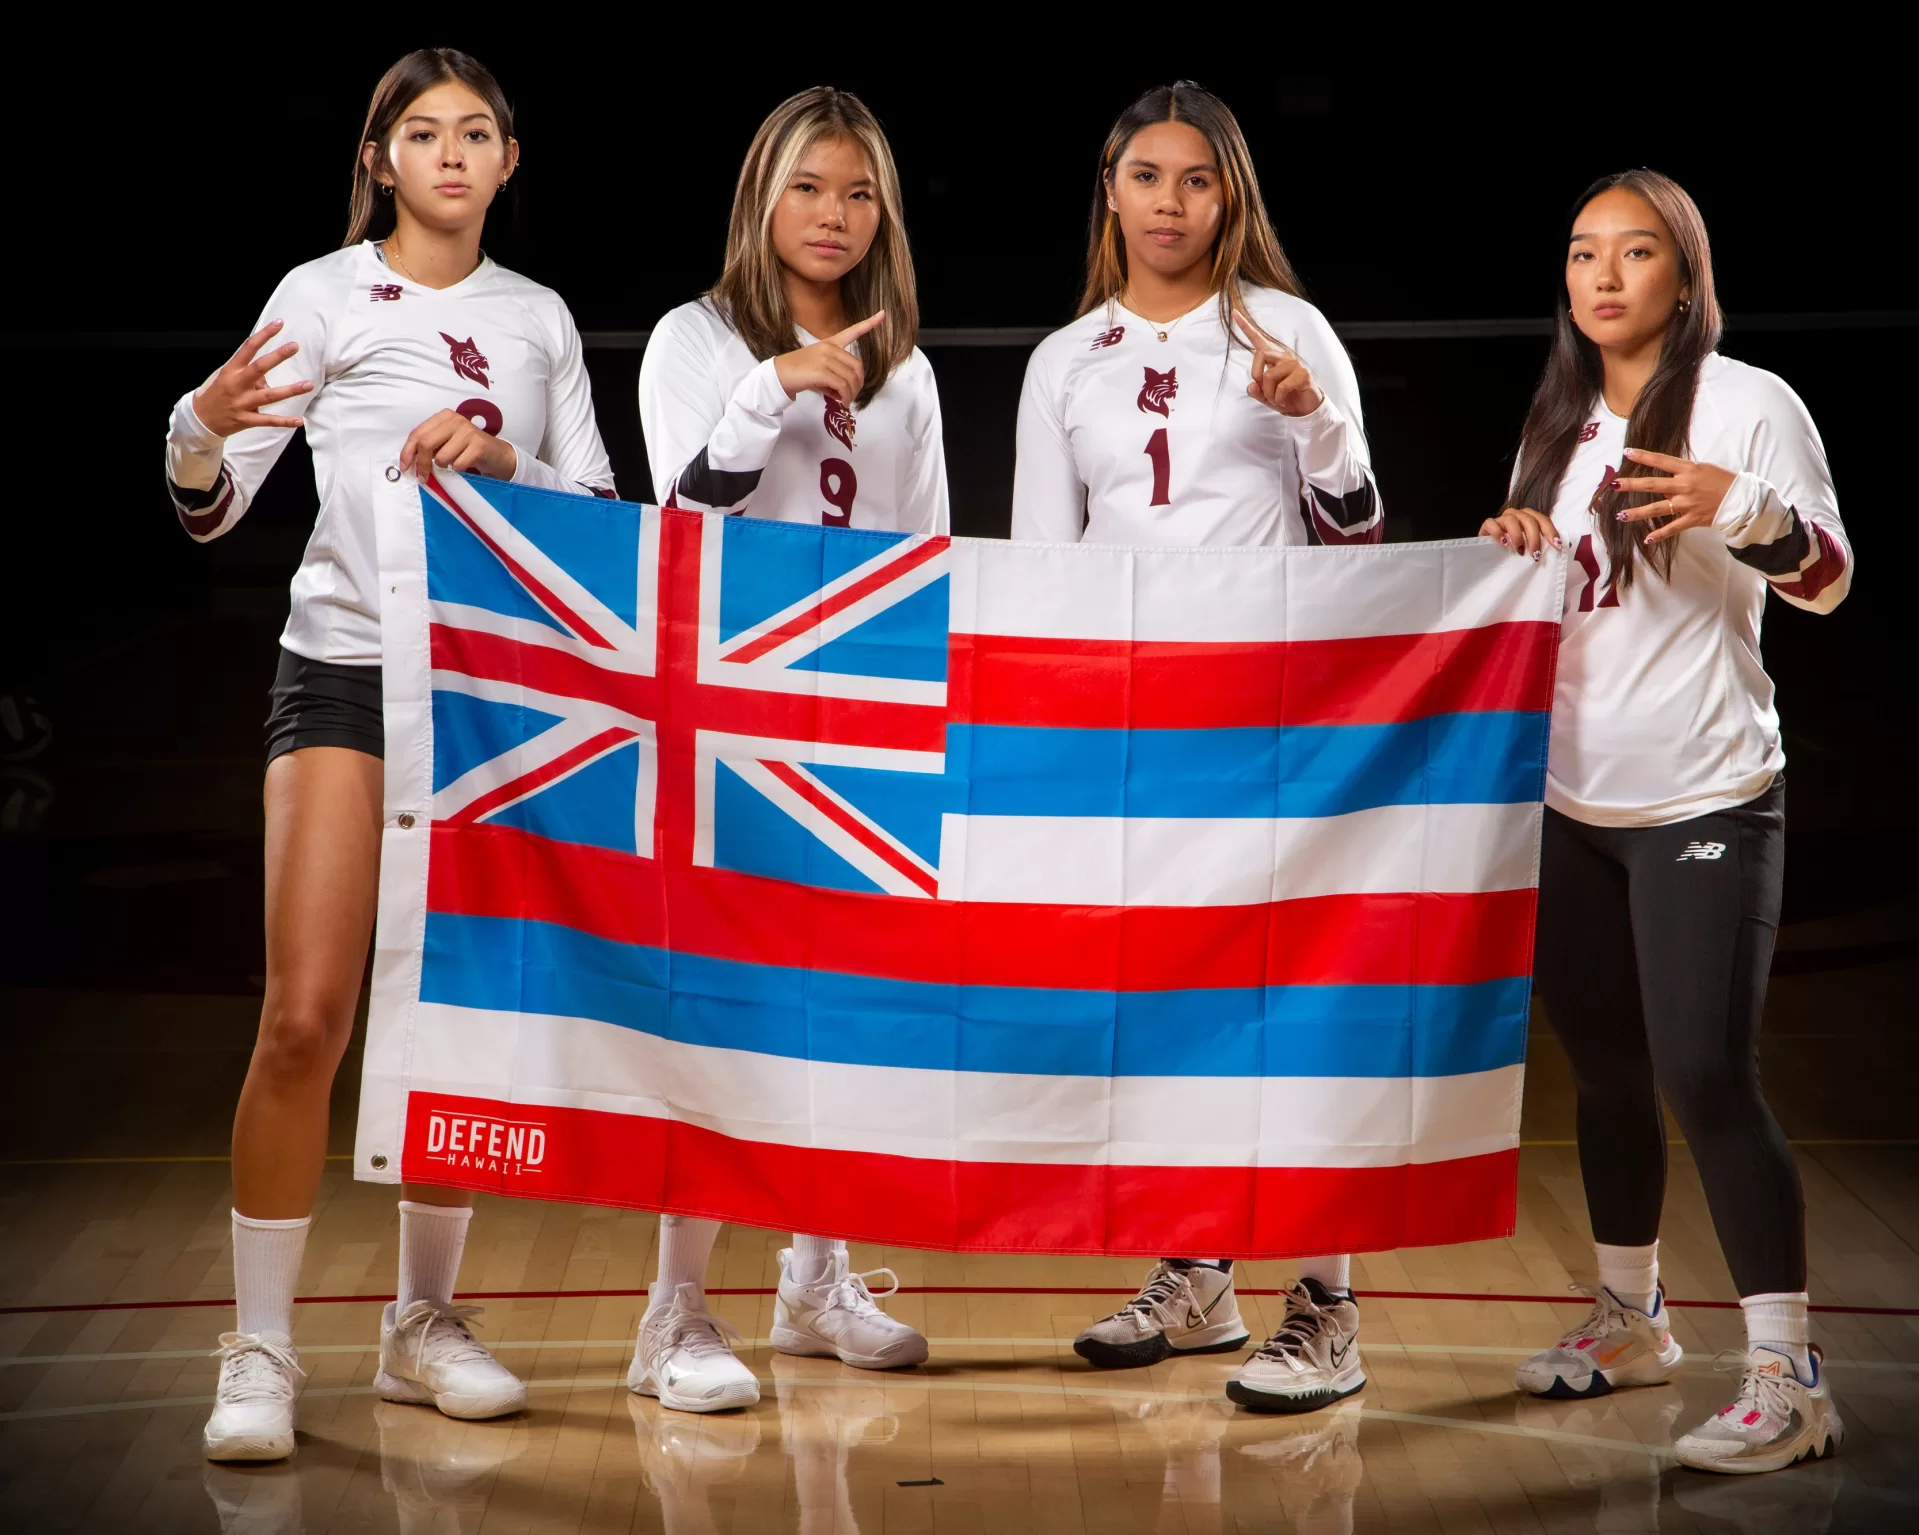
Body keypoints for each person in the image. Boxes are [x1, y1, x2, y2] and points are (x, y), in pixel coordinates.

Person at [169, 48, 617, 1461]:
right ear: (380, 159)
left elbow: (600, 510)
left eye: (474, 132)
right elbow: (210, 500)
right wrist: (198, 427)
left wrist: (505, 458)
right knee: (307, 1014)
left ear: (506, 161)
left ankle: (421, 1322)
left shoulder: (535, 319)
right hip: (347, 668)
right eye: (420, 133)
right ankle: (257, 1345)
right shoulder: (318, 294)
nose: (448, 154)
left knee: (455, 1023)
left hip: (490, 690)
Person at [1010, 80, 1379, 1415]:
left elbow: (1356, 536)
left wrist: (1312, 421)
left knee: (1289, 1005)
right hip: (1131, 725)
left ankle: (1326, 1302)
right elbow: (1043, 574)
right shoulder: (1065, 363)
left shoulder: (1286, 331)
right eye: (1146, 176)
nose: (1170, 203)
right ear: (1109, 191)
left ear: (1232, 197)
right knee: (1167, 1008)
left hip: (1273, 717)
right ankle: (1198, 1268)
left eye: (1197, 179)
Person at [1482, 168, 1850, 1475]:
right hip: (1571, 798)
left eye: (1633, 253)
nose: (1602, 275)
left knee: (1705, 1073)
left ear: (1680, 278)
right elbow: (1559, 600)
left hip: (1705, 793)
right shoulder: (1561, 418)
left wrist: (1734, 507)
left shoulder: (1748, 403)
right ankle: (1631, 1317)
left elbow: (1826, 578)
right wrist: (1513, 542)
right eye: (1582, 251)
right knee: (1607, 1072)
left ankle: (1786, 1372)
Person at [631, 86, 944, 1414]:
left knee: (847, 1014)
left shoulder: (908, 368)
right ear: (764, 195)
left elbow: (923, 547)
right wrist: (771, 390)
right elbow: (675, 515)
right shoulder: (692, 339)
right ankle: (672, 1310)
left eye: (857, 193)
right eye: (809, 187)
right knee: (727, 1016)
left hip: (859, 712)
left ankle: (816, 1277)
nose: (833, 215)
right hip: (726, 709)